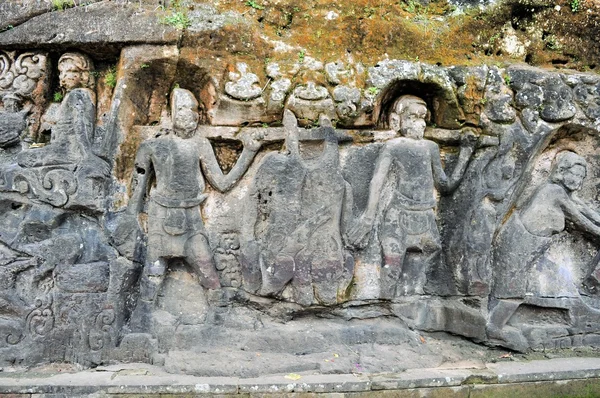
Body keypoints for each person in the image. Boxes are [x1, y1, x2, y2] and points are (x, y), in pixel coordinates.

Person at [121, 88, 261, 328]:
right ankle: (140, 322)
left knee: (207, 268)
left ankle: (220, 318)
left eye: (194, 109)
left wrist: (248, 152)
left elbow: (223, 183)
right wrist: (131, 217)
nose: (189, 114)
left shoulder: (200, 144)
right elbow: (137, 190)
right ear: (172, 112)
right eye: (182, 108)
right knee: (153, 271)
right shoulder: (153, 146)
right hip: (160, 214)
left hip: (191, 217)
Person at [348, 95, 476, 298]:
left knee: (432, 260)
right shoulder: (394, 146)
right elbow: (378, 181)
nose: (419, 122)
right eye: (412, 116)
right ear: (397, 120)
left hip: (425, 217)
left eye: (422, 117)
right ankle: (383, 307)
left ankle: (419, 304)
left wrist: (465, 155)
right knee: (392, 267)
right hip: (397, 217)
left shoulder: (430, 147)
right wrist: (369, 215)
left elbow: (445, 185)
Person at [488, 151, 600, 350]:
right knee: (512, 292)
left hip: (533, 246)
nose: (577, 179)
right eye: (573, 173)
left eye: (581, 177)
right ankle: (494, 328)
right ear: (561, 171)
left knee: (525, 287)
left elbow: (584, 209)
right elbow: (580, 220)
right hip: (522, 244)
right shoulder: (554, 191)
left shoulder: (562, 192)